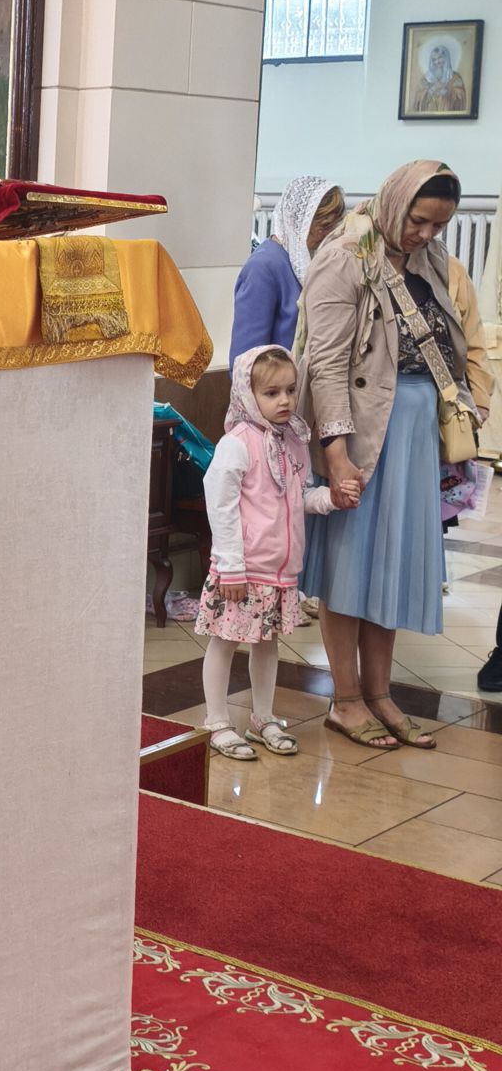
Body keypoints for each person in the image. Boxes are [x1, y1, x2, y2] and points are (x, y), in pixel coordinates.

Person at [301, 161, 475, 749]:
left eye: (438, 226)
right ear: (395, 201)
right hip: (364, 435)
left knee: (392, 567)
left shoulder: (427, 258)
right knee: (349, 566)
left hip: (414, 436)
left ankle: (380, 694)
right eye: (418, 221)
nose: (425, 234)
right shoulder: (345, 254)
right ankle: (346, 700)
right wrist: (336, 453)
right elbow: (326, 364)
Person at [195, 345, 358, 759]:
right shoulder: (237, 444)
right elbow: (221, 505)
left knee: (267, 643)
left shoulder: (293, 441)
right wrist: (231, 566)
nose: (284, 400)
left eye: (289, 390)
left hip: (278, 571)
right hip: (242, 570)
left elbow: (299, 496)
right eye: (271, 393)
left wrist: (331, 499)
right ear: (247, 394)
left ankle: (263, 717)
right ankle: (216, 720)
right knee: (225, 641)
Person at [229, 175, 344, 367]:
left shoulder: (303, 261)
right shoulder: (264, 266)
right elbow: (247, 357)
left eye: (334, 226)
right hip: (275, 383)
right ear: (299, 221)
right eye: (324, 226)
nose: (329, 235)